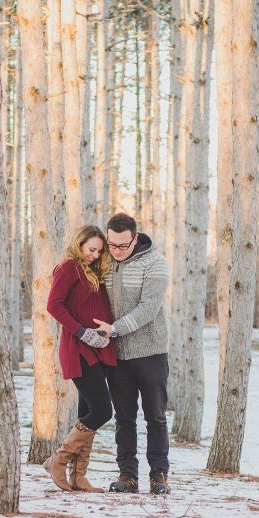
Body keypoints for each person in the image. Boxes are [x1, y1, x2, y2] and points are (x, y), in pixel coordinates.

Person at [92, 212, 172, 495]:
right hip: (117, 356)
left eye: (122, 246)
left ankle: (159, 475)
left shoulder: (155, 263)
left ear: (135, 239)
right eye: (111, 245)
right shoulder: (105, 261)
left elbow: (149, 308)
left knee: (156, 417)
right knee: (124, 417)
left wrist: (114, 329)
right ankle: (128, 475)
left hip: (150, 351)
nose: (116, 251)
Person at [43, 224, 117, 493]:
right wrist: (82, 332)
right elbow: (54, 305)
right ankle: (58, 460)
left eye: (99, 251)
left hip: (99, 348)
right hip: (79, 348)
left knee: (87, 413)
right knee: (102, 410)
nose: (95, 255)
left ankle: (79, 476)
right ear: (80, 244)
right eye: (91, 249)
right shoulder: (68, 268)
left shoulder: (96, 270)